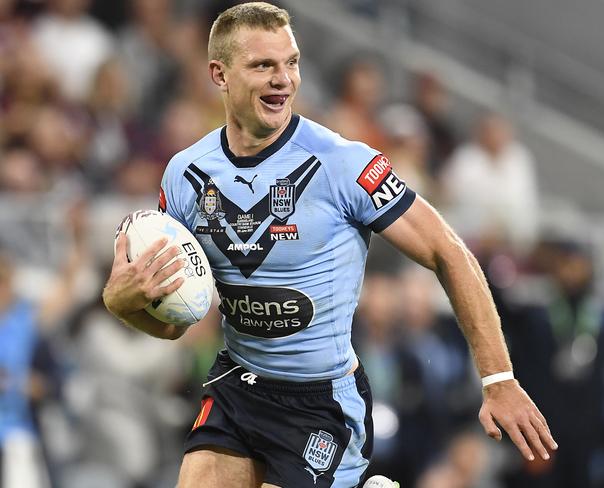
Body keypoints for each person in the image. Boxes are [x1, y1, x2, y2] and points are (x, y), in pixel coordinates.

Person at [101, 3, 557, 487]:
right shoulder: (185, 176)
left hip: (318, 403)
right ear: (220, 74)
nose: (283, 79)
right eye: (263, 65)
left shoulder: (343, 165)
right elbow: (176, 320)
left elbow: (448, 250)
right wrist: (120, 302)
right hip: (237, 385)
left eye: (291, 62)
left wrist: (498, 378)